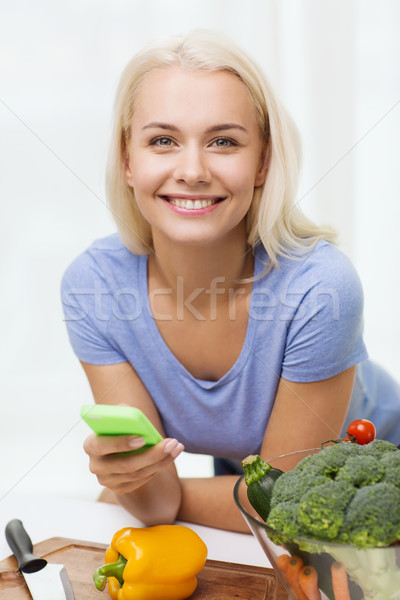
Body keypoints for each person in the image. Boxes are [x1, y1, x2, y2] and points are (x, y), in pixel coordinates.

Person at [61, 31, 400, 532]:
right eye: (162, 141)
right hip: (252, 484)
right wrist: (134, 479)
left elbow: (289, 503)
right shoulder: (94, 288)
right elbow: (160, 506)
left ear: (263, 161)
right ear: (128, 160)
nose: (193, 170)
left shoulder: (320, 287)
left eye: (223, 141)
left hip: (375, 487)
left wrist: (140, 492)